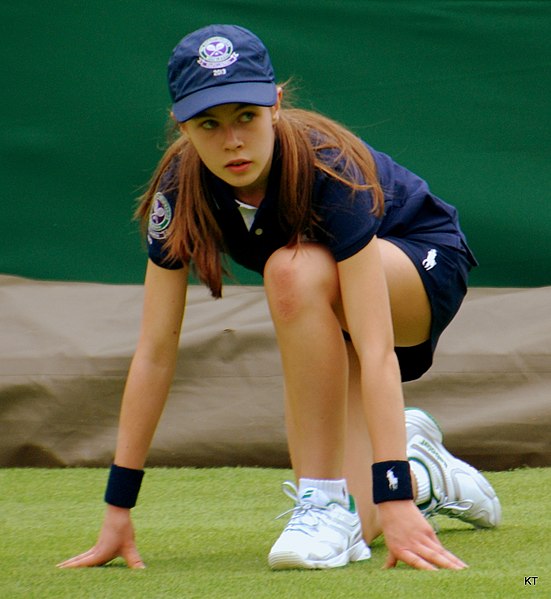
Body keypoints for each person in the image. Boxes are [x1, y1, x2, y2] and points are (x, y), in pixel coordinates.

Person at [58, 24, 501, 572]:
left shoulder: (326, 166)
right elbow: (154, 352)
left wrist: (396, 500)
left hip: (417, 269)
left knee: (291, 268)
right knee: (361, 527)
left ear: (276, 103)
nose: (233, 141)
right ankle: (424, 472)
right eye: (209, 124)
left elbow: (375, 345)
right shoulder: (178, 189)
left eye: (246, 115)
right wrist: (117, 507)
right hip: (329, 297)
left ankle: (323, 495)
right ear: (181, 125)